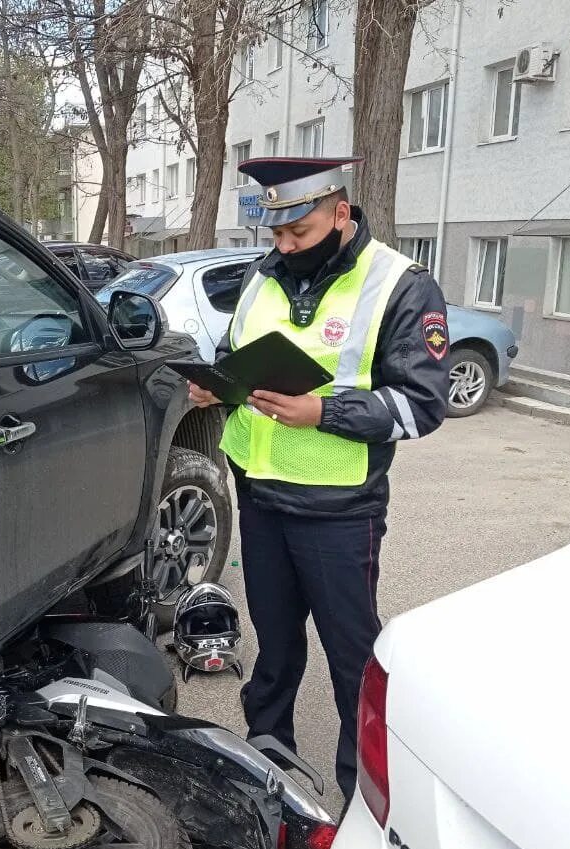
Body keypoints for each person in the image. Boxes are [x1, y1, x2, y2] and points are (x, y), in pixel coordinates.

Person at [189, 156, 450, 801]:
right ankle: (265, 769)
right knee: (274, 654)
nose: (284, 247)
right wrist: (214, 388)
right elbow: (235, 356)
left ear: (340, 214)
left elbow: (421, 406)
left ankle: (363, 794)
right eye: (275, 233)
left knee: (353, 661)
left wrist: (322, 411)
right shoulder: (262, 276)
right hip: (261, 499)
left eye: (298, 233)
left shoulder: (401, 284)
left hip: (340, 512)